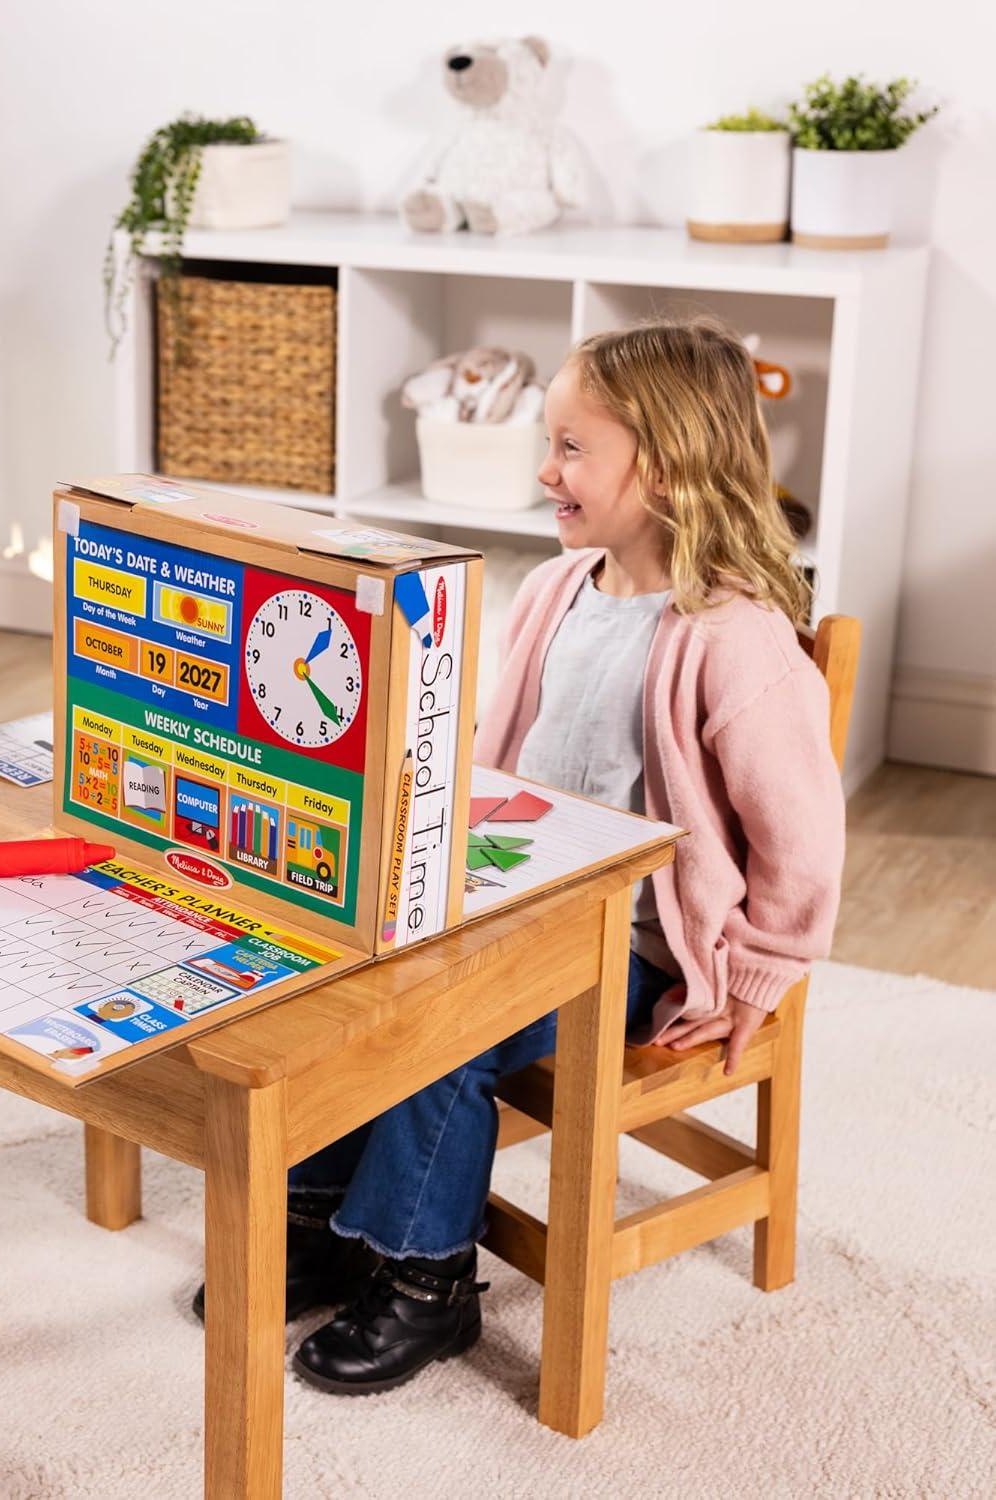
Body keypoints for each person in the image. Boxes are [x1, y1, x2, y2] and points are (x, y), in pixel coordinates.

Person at [199, 317, 846, 1396]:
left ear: (671, 462)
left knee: (449, 1028)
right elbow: (501, 760)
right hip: (521, 898)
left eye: (571, 447)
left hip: (635, 945)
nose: (544, 469)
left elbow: (803, 839)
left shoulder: (733, 639)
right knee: (357, 976)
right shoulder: (555, 591)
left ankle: (425, 1281)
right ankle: (318, 1220)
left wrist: (757, 975)